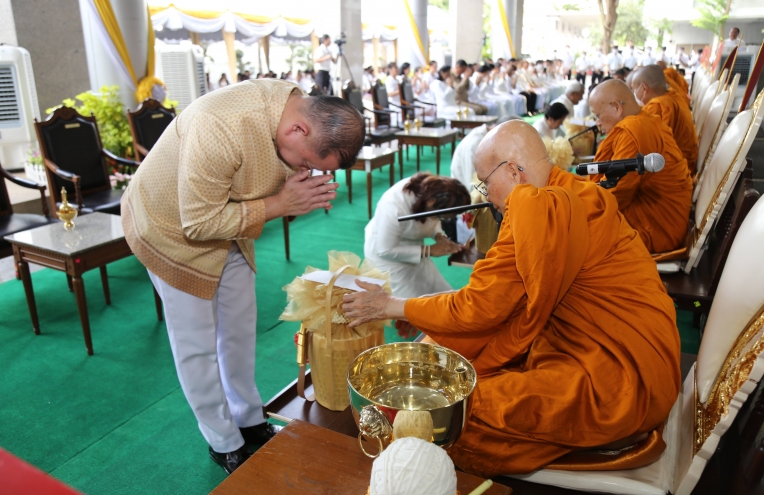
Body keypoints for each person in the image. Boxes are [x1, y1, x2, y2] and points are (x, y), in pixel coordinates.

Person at [342, 120, 681, 477]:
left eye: (485, 182)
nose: (485, 194)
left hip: (619, 380)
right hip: (644, 356)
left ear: (514, 172)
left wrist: (386, 305)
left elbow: (479, 307)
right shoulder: (579, 190)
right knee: (448, 354)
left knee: (456, 411)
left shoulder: (534, 208)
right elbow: (507, 297)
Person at [121, 79, 365, 475]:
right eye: (309, 163)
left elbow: (245, 199)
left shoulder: (291, 108)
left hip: (231, 226)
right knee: (196, 344)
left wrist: (285, 200)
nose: (307, 171)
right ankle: (222, 439)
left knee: (237, 329)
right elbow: (197, 223)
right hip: (170, 229)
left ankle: (248, 417)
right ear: (298, 130)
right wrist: (280, 202)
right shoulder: (219, 124)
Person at [588, 79, 692, 253]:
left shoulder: (635, 131)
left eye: (597, 116)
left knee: (570, 235)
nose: (597, 123)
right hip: (661, 220)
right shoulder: (645, 121)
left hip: (657, 230)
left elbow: (614, 195)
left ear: (616, 107)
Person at [364, 173, 469, 298]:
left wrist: (439, 236)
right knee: (409, 303)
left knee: (436, 292)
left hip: (414, 247)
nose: (439, 219)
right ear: (431, 202)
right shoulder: (394, 207)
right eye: (441, 217)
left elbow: (434, 218)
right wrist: (430, 250)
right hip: (387, 256)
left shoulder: (431, 194)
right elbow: (385, 250)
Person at [630, 65, 698, 175]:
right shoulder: (672, 95)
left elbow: (649, 146)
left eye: (633, 89)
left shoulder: (659, 106)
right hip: (686, 161)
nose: (633, 93)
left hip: (676, 170)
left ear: (644, 88)